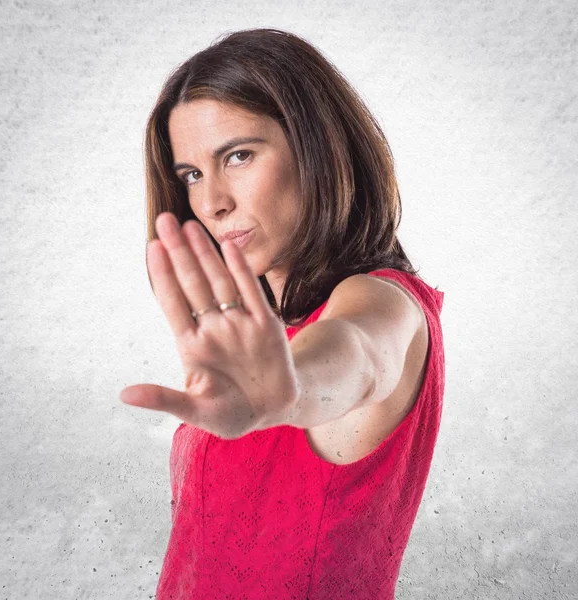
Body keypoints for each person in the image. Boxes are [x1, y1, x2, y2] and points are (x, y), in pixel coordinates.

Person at [120, 27, 446, 600]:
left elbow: (360, 353)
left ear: (319, 148)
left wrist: (291, 389)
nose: (212, 201)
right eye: (192, 175)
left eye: (239, 155)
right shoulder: (259, 338)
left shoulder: (385, 301)